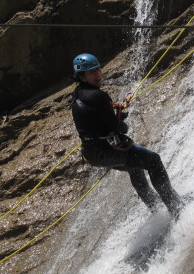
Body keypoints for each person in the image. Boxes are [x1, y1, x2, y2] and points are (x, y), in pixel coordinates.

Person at [70, 53, 184, 218]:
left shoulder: (79, 93)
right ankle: (175, 207)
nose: (98, 74)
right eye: (92, 72)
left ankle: (157, 210)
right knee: (153, 160)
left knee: (135, 168)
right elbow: (119, 128)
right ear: (82, 76)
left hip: (92, 152)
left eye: (98, 69)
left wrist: (113, 116)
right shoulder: (97, 96)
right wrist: (121, 122)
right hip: (105, 150)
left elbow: (95, 119)